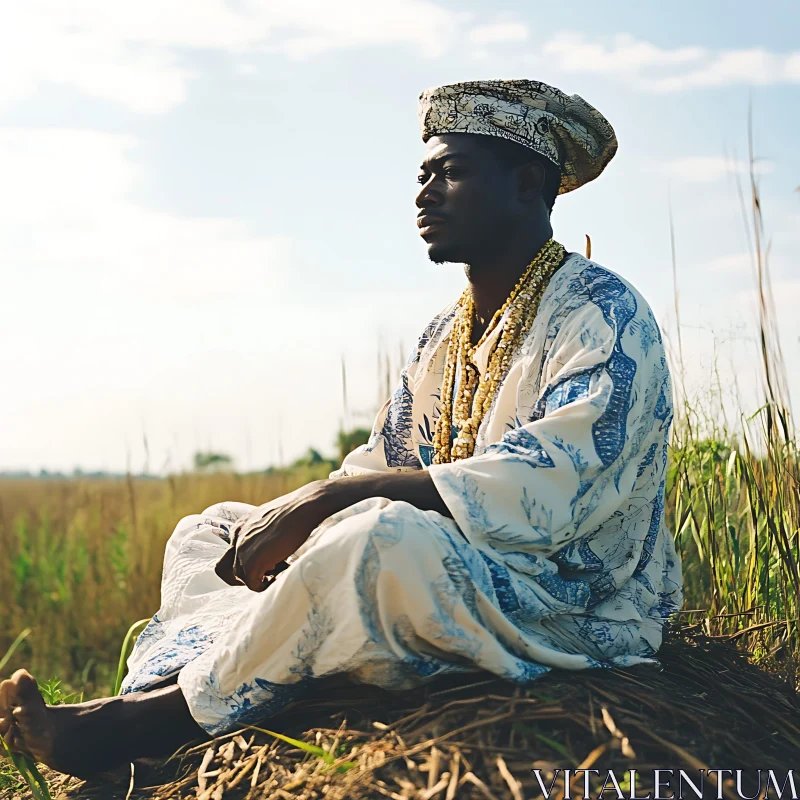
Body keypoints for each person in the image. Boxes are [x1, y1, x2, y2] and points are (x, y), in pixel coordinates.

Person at [0, 78, 683, 777]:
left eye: (450, 172)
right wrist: (289, 516)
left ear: (527, 184)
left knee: (378, 539)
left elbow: (554, 483)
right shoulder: (442, 336)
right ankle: (244, 659)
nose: (424, 192)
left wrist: (326, 505)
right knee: (207, 533)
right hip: (449, 569)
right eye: (422, 174)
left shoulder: (604, 314)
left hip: (567, 606)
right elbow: (382, 460)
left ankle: (150, 722)